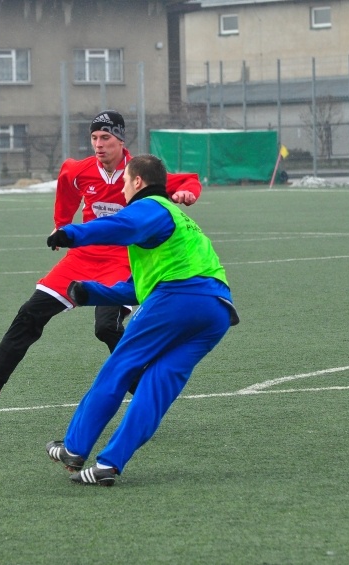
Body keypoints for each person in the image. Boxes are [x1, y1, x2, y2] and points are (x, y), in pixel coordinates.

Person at [0, 110, 202, 411]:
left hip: (123, 261)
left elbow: (186, 180)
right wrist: (62, 224)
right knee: (30, 313)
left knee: (106, 328)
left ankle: (146, 395)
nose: (98, 144)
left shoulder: (138, 172)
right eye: (94, 137)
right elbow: (66, 183)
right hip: (82, 257)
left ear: (120, 140)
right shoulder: (81, 170)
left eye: (105, 137)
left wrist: (187, 193)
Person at [44, 154, 238, 486]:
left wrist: (70, 234)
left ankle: (74, 449)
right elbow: (139, 287)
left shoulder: (150, 207)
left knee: (119, 367)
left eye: (124, 183)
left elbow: (121, 226)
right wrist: (91, 293)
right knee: (157, 385)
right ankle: (109, 465)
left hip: (178, 296)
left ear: (138, 182)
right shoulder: (176, 218)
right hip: (216, 310)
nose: (122, 190)